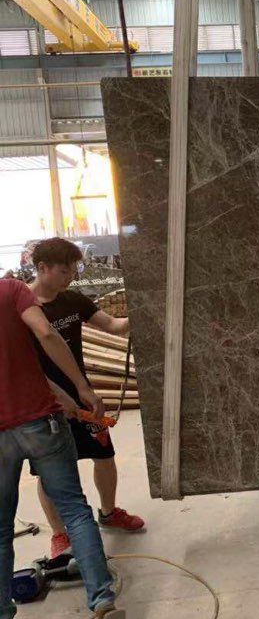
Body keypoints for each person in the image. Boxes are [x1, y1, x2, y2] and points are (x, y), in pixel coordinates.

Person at [0, 276, 126, 619]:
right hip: (41, 423)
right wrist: (81, 388)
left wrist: (65, 398)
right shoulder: (12, 291)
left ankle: (3, 618)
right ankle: (102, 602)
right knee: (75, 511)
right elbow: (46, 334)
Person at [28, 238, 145, 559]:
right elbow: (23, 362)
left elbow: (114, 326)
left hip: (83, 396)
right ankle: (59, 534)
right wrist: (58, 396)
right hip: (45, 404)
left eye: (74, 271)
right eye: (65, 271)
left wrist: (142, 309)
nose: (71, 277)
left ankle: (108, 512)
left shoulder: (73, 300)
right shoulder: (23, 308)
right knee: (49, 471)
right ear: (43, 268)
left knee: (103, 454)